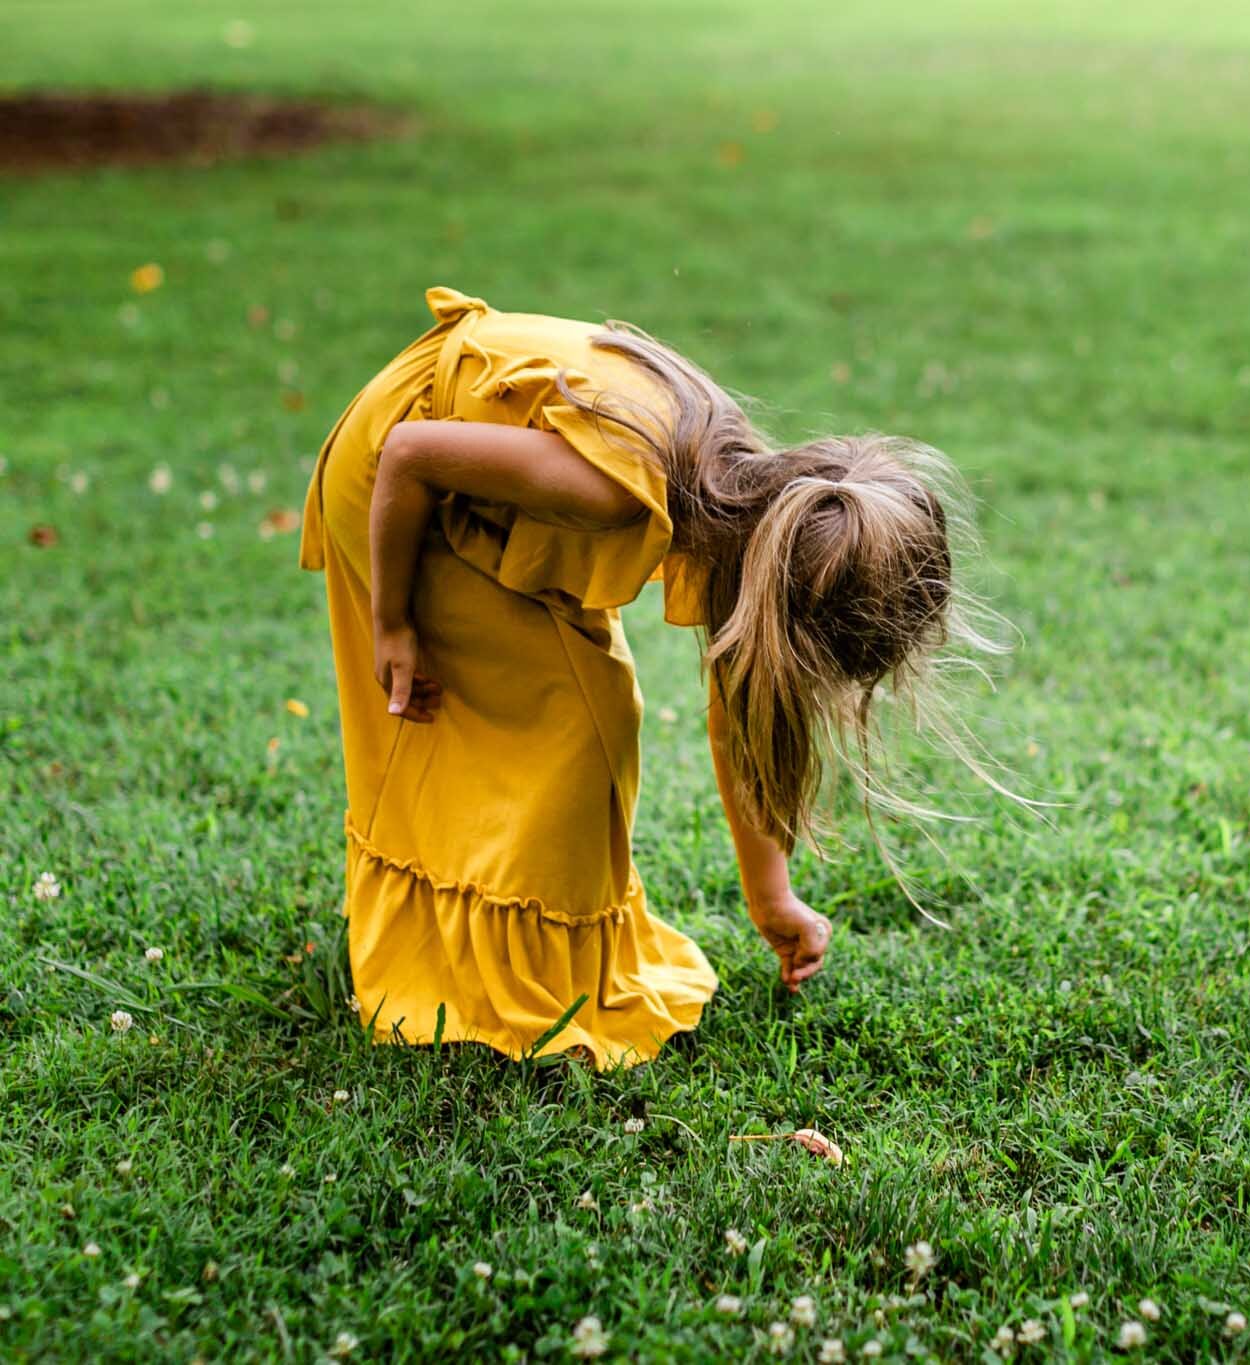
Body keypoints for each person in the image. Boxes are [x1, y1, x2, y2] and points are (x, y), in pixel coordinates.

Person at [299, 286, 972, 1068]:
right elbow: (412, 455)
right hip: (394, 477)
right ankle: (510, 986)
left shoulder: (751, 500)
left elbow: (737, 713)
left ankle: (494, 952)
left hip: (473, 484)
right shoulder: (617, 489)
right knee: (581, 727)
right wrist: (393, 625)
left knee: (586, 711)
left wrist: (772, 897)